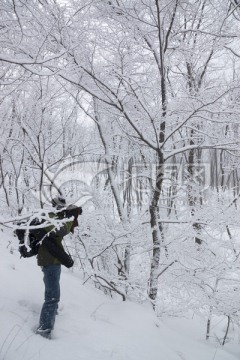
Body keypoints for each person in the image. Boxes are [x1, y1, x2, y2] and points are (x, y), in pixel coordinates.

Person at [35, 198, 82, 339]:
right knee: (52, 297)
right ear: (55, 206)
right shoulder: (48, 217)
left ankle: (51, 317)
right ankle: (44, 331)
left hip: (53, 260)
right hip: (49, 260)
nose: (62, 209)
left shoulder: (54, 217)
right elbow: (60, 230)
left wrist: (71, 214)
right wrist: (70, 217)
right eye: (60, 206)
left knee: (52, 293)